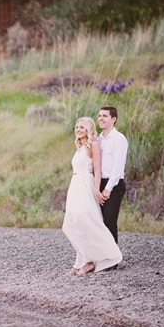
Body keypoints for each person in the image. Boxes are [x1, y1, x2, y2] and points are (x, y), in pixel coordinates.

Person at [62, 117, 122, 276]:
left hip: (85, 184)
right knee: (71, 223)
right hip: (75, 185)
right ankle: (81, 262)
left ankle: (92, 261)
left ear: (88, 128)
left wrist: (97, 190)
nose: (78, 129)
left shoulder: (93, 145)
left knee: (85, 220)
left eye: (82, 127)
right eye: (76, 126)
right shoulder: (79, 145)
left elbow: (97, 170)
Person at [97, 106, 128, 256]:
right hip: (99, 184)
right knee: (99, 222)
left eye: (105, 116)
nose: (100, 118)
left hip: (114, 185)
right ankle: (101, 255)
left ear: (113, 119)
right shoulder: (98, 139)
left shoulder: (119, 139)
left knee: (109, 221)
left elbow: (118, 167)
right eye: (99, 116)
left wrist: (108, 189)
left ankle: (113, 258)